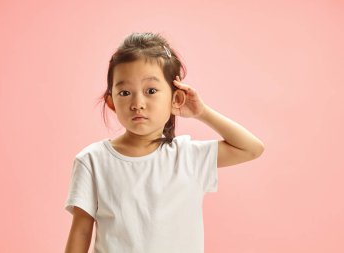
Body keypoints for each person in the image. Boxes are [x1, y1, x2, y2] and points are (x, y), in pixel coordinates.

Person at [64, 32, 265, 253]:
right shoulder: (92, 161)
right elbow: (81, 231)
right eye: (124, 92)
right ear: (111, 101)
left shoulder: (188, 156)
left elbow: (251, 148)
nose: (137, 103)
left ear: (176, 98)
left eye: (151, 91)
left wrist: (202, 112)